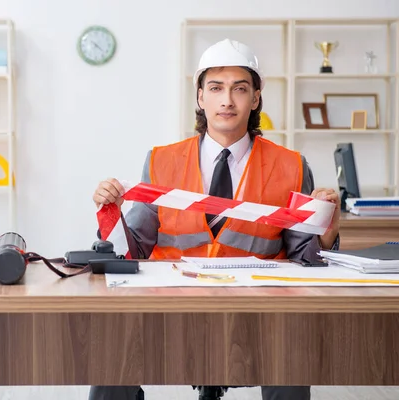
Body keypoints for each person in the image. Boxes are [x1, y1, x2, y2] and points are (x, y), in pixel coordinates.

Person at [89, 39, 341, 400]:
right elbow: (134, 247)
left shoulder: (291, 166)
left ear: (255, 99)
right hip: (171, 310)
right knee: (110, 361)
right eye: (216, 88)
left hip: (258, 316)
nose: (227, 100)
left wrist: (326, 235)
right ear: (200, 97)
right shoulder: (162, 161)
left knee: (292, 359)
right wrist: (110, 212)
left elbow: (307, 259)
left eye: (240, 89)